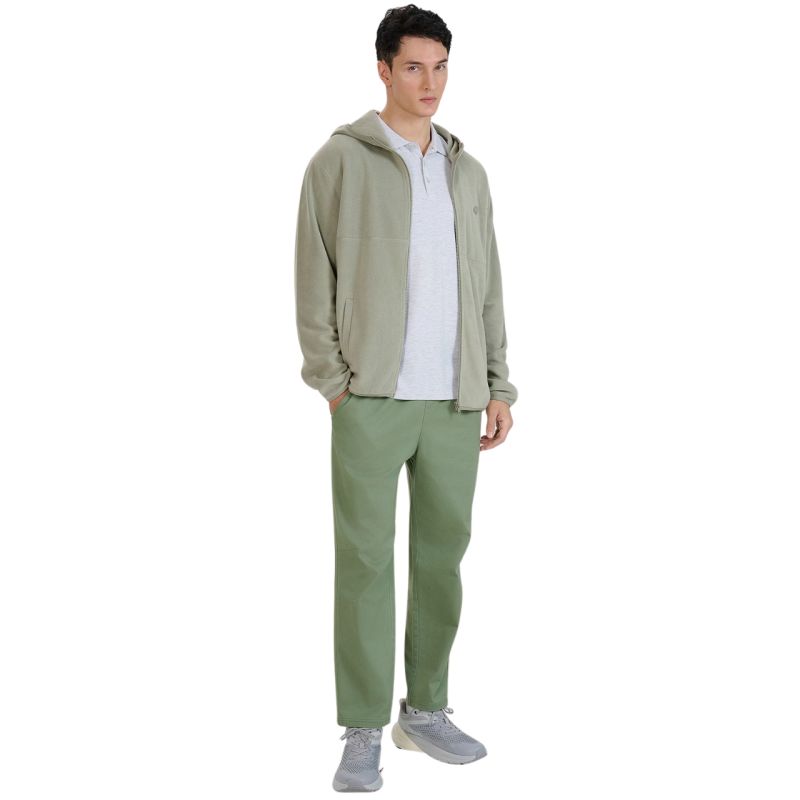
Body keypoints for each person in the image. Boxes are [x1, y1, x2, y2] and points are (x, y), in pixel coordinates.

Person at [293, 5, 518, 792]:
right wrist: (334, 384)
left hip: (456, 400)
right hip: (371, 399)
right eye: (414, 67)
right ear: (384, 69)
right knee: (363, 564)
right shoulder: (339, 161)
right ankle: (362, 729)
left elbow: (488, 285)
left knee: (440, 561)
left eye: (441, 66)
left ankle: (424, 711)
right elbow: (311, 277)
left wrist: (497, 383)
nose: (431, 83)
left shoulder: (468, 172)